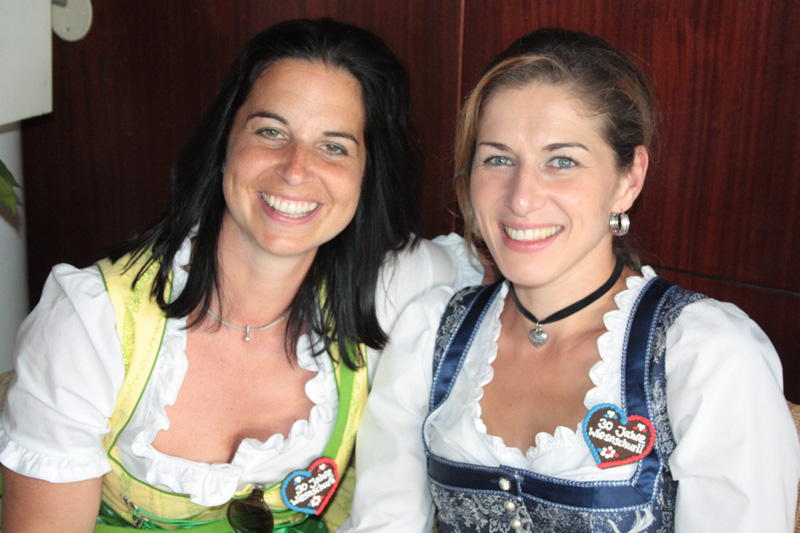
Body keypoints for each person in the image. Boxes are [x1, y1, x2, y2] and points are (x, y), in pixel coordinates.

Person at [0, 18, 482, 532]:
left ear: (367, 175)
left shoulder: (390, 287)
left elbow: (507, 264)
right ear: (225, 139)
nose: (295, 169)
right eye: (271, 131)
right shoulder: (91, 323)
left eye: (334, 146)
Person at [344, 28, 800, 532]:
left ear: (629, 178)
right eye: (498, 158)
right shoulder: (432, 335)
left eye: (562, 161)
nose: (521, 198)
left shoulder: (706, 355)